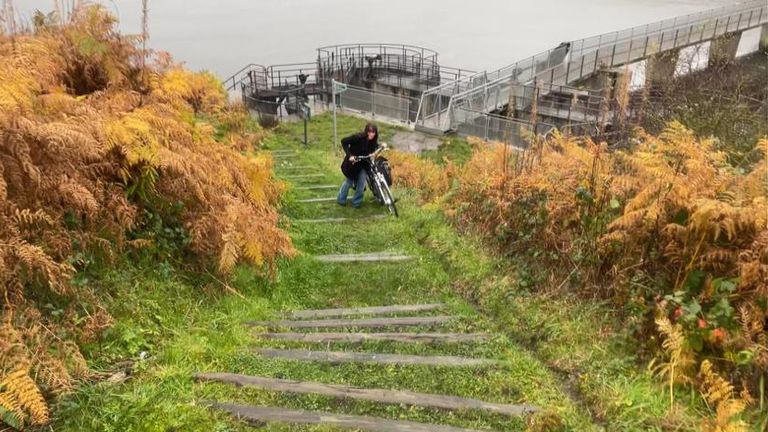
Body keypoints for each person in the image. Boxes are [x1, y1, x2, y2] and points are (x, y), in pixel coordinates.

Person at [337, 123, 379, 208]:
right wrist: (350, 155)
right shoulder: (357, 137)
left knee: (361, 184)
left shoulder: (373, 141)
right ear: (366, 131)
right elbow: (344, 141)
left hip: (364, 164)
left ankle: (356, 202)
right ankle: (341, 199)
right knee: (349, 181)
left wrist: (380, 147)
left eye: (373, 132)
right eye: (370, 132)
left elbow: (374, 147)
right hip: (354, 163)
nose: (371, 134)